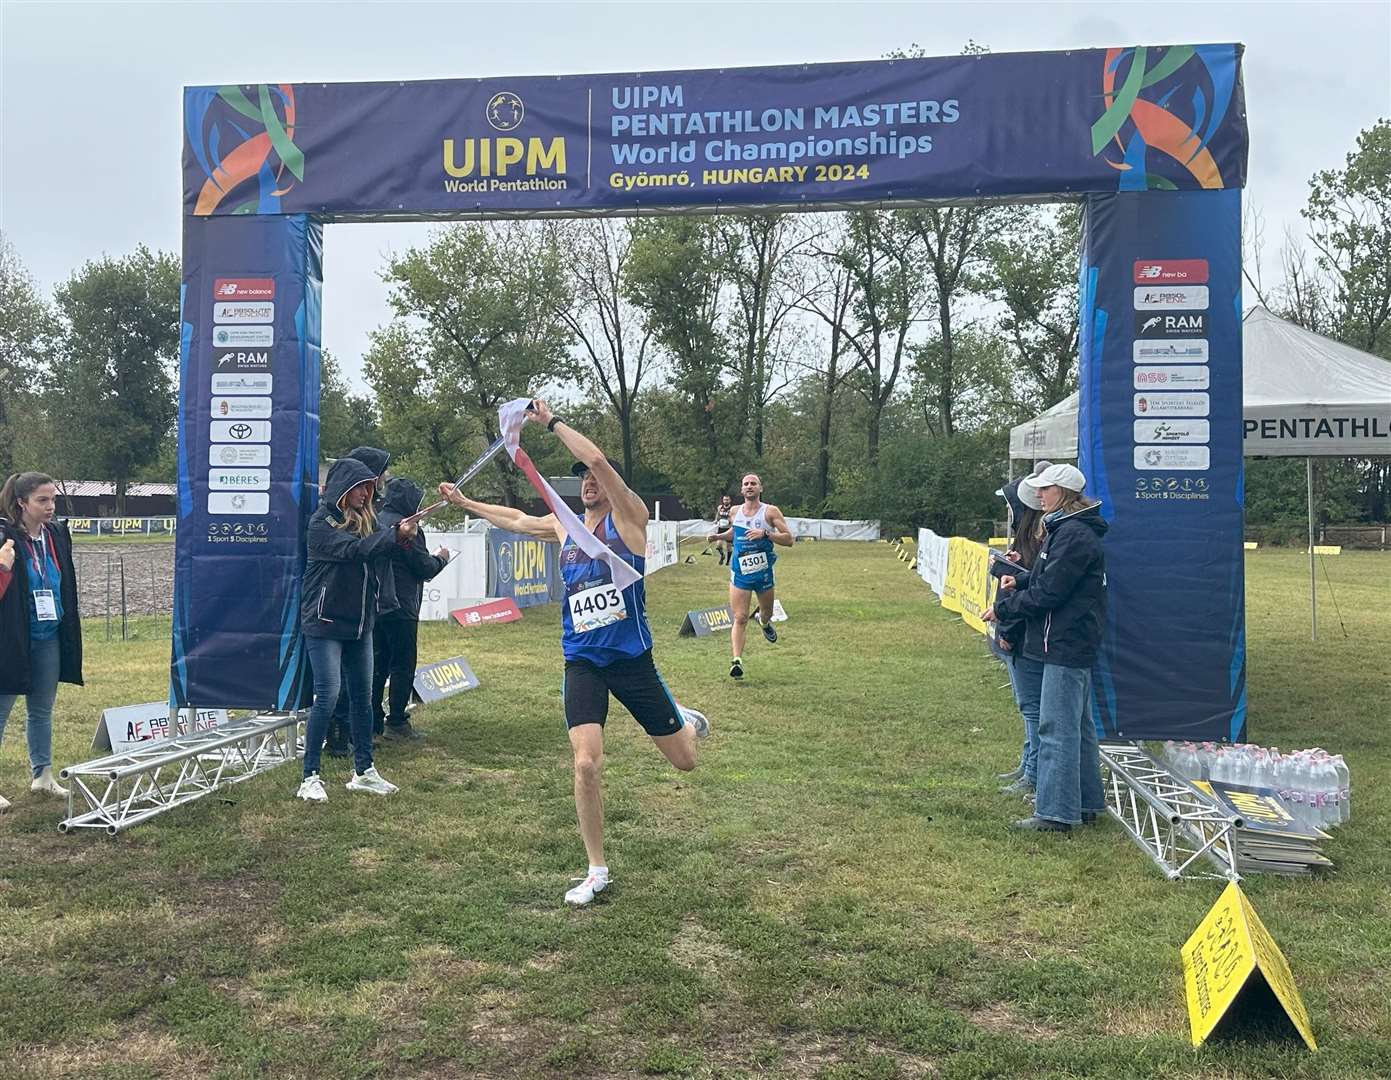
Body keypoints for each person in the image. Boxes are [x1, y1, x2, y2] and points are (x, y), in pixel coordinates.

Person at [438, 399, 709, 907]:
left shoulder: (630, 520)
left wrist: (552, 423)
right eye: (580, 477)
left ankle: (684, 721)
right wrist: (466, 503)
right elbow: (518, 519)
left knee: (685, 760)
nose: (588, 481)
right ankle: (596, 869)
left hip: (631, 661)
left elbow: (603, 461)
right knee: (585, 764)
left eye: (592, 475)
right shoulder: (565, 526)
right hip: (582, 661)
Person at [983, 463, 1107, 833]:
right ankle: (1084, 803)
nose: (1038, 495)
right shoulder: (1069, 530)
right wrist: (1021, 576)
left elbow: (1050, 593)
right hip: (1071, 640)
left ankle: (1055, 813)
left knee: (1056, 729)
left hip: (1064, 642)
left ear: (1063, 494)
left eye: (1044, 489)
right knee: (1079, 728)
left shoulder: (1072, 536)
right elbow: (1047, 578)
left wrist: (1005, 606)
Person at [297, 458, 415, 803]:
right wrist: (393, 535)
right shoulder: (320, 524)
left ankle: (364, 771)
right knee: (329, 696)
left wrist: (401, 539)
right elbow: (356, 550)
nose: (367, 493)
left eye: (370, 487)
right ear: (343, 488)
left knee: (364, 700)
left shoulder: (369, 521)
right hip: (324, 623)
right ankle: (310, 776)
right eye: (361, 487)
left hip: (361, 623)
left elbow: (377, 550)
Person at [0, 472, 83, 809]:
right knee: (1, 711)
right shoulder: (5, 537)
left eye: (53, 500)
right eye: (42, 500)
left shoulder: (56, 534)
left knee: (41, 710)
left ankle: (42, 775)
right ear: (22, 502)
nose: (51, 507)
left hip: (49, 635)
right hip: (12, 637)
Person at [372, 477, 451, 740]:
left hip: (375, 603)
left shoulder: (374, 519)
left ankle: (372, 720)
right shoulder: (408, 527)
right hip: (402, 604)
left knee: (377, 663)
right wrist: (442, 559)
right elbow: (423, 567)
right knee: (402, 664)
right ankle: (397, 721)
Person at [326, 446, 392, 757]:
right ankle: (338, 736)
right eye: (380, 474)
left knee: (360, 680)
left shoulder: (370, 510)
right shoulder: (334, 518)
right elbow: (361, 549)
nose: (383, 480)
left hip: (366, 602)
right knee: (339, 680)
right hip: (340, 606)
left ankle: (355, 735)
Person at [994, 462, 1052, 798]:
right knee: (1027, 705)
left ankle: (1032, 773)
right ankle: (1027, 764)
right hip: (1017, 628)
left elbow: (1033, 590)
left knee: (1032, 707)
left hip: (1023, 633)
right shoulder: (1032, 539)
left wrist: (1009, 628)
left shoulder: (1039, 539)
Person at [710, 473, 793, 679]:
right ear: (741, 490)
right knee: (739, 617)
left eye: (753, 484)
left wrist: (766, 534)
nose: (749, 487)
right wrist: (719, 536)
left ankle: (764, 623)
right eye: (746, 484)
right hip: (740, 572)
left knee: (766, 612)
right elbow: (735, 533)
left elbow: (789, 539)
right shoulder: (735, 511)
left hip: (763, 573)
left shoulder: (770, 512)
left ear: (760, 488)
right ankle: (736, 661)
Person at [709, 495, 734, 566]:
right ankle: (722, 556)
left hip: (728, 529)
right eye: (724, 500)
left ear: (730, 500)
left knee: (728, 547)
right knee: (718, 545)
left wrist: (730, 521)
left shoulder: (732, 508)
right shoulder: (720, 507)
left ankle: (728, 561)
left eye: (727, 500)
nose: (726, 501)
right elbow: (718, 515)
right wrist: (716, 520)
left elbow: (733, 517)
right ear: (723, 500)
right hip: (721, 528)